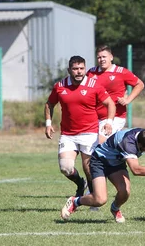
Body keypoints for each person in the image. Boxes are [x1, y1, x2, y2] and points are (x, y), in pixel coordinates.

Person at [60, 121, 145, 223]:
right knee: (99, 200)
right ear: (140, 144)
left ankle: (115, 208)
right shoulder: (128, 144)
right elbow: (136, 170)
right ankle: (75, 201)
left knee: (125, 192)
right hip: (100, 162)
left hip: (116, 163)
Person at [45, 56, 116, 198]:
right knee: (65, 168)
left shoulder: (94, 85)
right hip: (68, 134)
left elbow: (110, 104)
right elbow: (49, 104)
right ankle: (80, 183)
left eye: (82, 68)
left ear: (85, 69)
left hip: (89, 134)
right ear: (69, 70)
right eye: (75, 69)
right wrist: (48, 123)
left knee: (89, 168)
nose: (79, 72)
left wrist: (109, 122)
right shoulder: (60, 86)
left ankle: (94, 196)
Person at [87, 45, 145, 143]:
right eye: (99, 57)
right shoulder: (92, 72)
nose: (101, 59)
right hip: (95, 117)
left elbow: (140, 84)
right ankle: (121, 154)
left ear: (111, 57)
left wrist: (128, 99)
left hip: (116, 117)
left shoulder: (121, 72)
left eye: (104, 57)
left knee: (99, 142)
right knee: (92, 146)